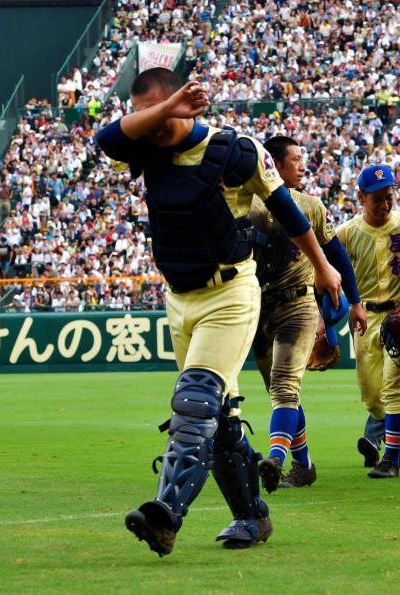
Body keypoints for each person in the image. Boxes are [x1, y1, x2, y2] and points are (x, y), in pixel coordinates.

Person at [96, 69, 341, 555]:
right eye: (147, 116)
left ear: (185, 103)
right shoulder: (146, 143)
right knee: (221, 417)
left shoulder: (236, 150)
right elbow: (106, 139)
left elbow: (288, 210)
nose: (152, 126)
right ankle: (253, 516)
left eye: (160, 112)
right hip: (178, 297)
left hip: (230, 292)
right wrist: (163, 114)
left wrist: (323, 266)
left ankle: (165, 514)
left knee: (195, 399)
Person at [250, 136, 365, 493]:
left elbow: (338, 256)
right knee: (281, 392)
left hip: (298, 305)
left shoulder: (310, 205)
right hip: (255, 307)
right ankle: (303, 465)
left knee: (285, 385)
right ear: (273, 165)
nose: (303, 165)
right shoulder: (245, 203)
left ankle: (276, 459)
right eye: (296, 159)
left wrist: (355, 301)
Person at [336, 165, 400, 478]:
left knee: (395, 389)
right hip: (365, 318)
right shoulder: (347, 232)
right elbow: (331, 272)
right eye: (377, 198)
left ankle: (389, 459)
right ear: (361, 196)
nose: (385, 203)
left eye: (389, 195)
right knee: (372, 396)